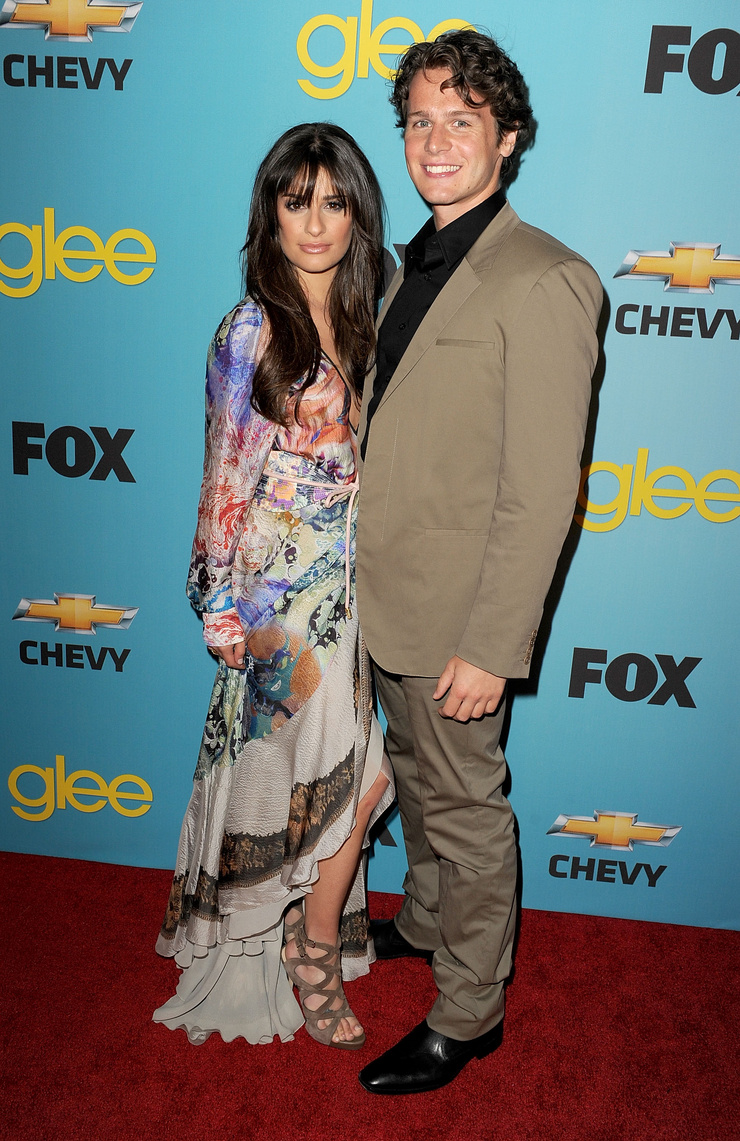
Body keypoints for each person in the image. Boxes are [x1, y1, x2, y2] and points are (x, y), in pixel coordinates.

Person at [356, 30, 603, 1093]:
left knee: (464, 810)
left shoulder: (545, 277)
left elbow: (540, 492)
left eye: (461, 121)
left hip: (461, 619)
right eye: (420, 121)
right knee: (415, 784)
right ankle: (423, 920)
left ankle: (469, 1011)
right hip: (387, 601)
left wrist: (493, 646)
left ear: (507, 139)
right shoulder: (406, 265)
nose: (436, 142)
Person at [153, 122, 393, 1051]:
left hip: (350, 593)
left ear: (358, 214)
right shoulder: (251, 328)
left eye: (335, 203)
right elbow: (223, 476)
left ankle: (306, 934)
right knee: (345, 775)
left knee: (355, 777)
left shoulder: (367, 315)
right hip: (276, 608)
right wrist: (221, 609)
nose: (317, 223)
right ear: (272, 214)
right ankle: (313, 950)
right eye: (298, 203)